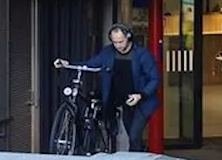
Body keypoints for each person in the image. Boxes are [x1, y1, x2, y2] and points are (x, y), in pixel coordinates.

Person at [54, 23, 161, 153]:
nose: (118, 46)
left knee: (134, 135)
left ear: (128, 37)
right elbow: (90, 64)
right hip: (123, 99)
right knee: (130, 135)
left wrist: (140, 95)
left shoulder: (142, 55)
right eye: (115, 42)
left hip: (142, 100)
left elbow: (155, 79)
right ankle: (136, 154)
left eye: (121, 42)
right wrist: (69, 64)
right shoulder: (108, 52)